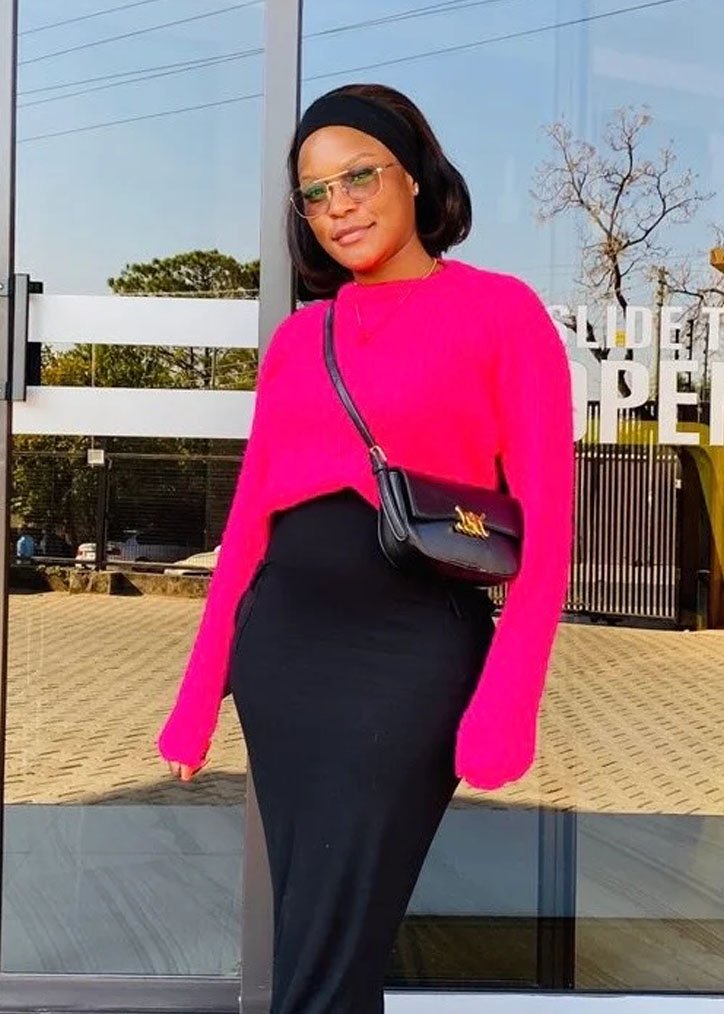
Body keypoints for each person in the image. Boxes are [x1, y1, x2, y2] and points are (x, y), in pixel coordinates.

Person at [158, 83, 574, 1013]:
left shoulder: (502, 313)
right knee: (320, 938)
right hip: (283, 656)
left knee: (330, 945)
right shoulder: (300, 339)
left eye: (359, 176)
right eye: (315, 192)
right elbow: (247, 530)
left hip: (410, 658)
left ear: (414, 176)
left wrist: (507, 703)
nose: (339, 205)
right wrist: (196, 700)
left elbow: (548, 529)